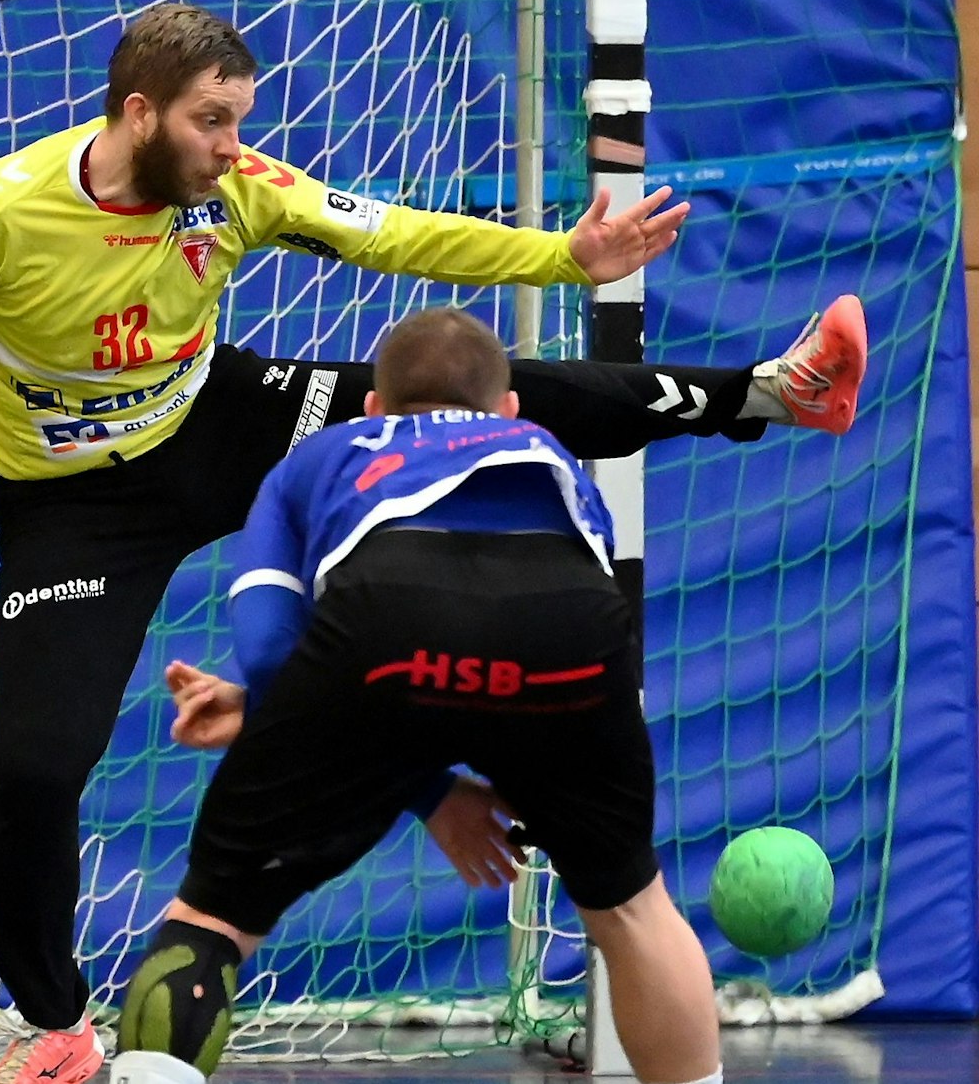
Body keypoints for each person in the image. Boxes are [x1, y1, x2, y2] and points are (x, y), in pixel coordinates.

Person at [0, 2, 863, 1084]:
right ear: (136, 111)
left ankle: (769, 390)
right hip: (71, 510)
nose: (228, 143)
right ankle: (55, 1030)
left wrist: (561, 257)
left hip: (217, 417)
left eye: (238, 120)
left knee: (476, 397)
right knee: (33, 771)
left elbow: (394, 237)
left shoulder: (236, 188)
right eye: (209, 120)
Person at [107, 307, 723, 1084]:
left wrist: (341, 743)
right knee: (632, 910)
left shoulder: (322, 453)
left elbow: (269, 649)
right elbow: (548, 630)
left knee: (214, 917)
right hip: (570, 638)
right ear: (507, 410)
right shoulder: (548, 452)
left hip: (385, 628)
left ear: (372, 406)